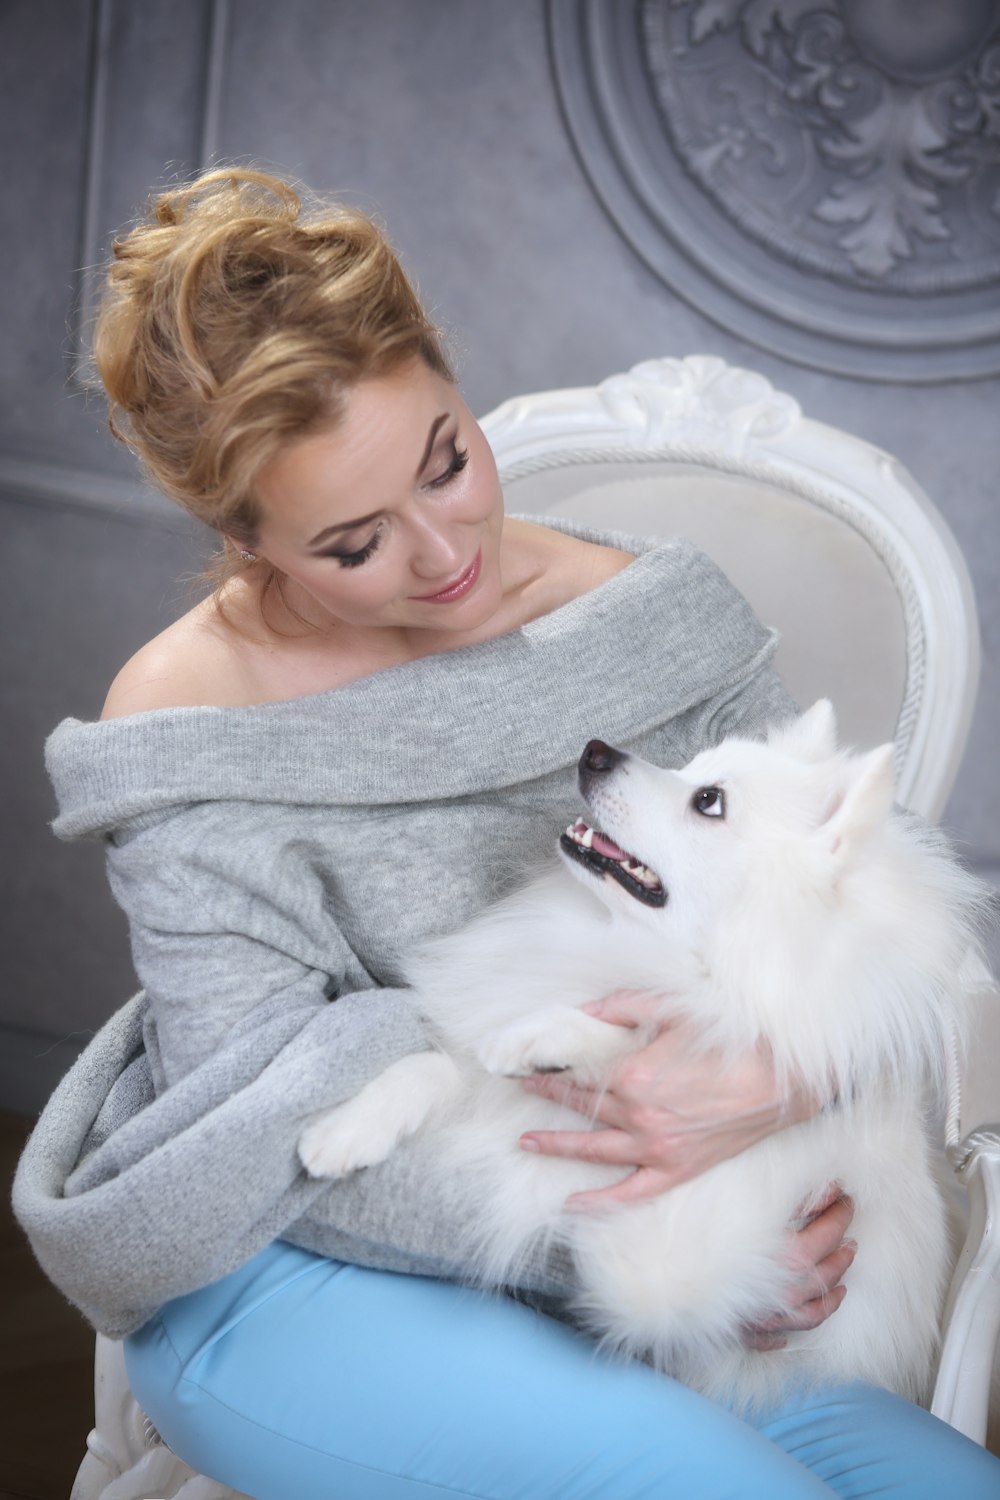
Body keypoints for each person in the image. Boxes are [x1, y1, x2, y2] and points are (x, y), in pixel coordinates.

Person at [13, 168, 1000, 1500]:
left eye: (448, 461)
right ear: (243, 541)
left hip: (617, 1288)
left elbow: (855, 926)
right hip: (284, 1274)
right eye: (356, 542)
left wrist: (788, 1089)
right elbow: (268, 1143)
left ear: (449, 379)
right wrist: (691, 1255)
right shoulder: (186, 719)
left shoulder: (657, 620)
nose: (442, 553)